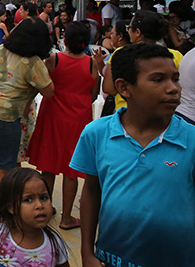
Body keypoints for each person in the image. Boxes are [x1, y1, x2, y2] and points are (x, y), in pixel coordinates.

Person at [71, 43, 195, 266]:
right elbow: (91, 190)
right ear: (124, 88)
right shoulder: (97, 134)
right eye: (158, 80)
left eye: (175, 78)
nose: (173, 88)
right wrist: (87, 252)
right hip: (112, 257)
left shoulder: (191, 139)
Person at [0, 17, 54, 225]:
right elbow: (48, 91)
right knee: (6, 165)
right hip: (7, 116)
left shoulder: (1, 49)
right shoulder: (33, 62)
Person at [27, 22, 99, 230]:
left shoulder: (54, 59)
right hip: (78, 119)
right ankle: (67, 217)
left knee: (48, 166)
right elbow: (93, 95)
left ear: (64, 39)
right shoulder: (92, 63)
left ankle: (45, 211)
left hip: (53, 117)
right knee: (71, 170)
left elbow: (42, 84)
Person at [0, 168, 70, 267]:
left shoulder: (54, 242)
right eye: (28, 200)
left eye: (44, 198)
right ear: (11, 207)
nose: (39, 205)